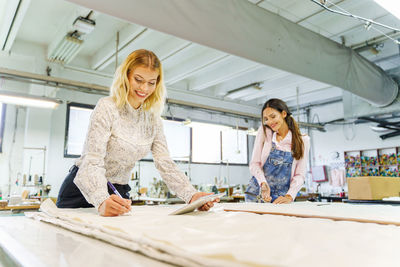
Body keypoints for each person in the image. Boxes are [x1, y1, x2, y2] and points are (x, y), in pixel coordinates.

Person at [56, 49, 217, 216]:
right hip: (82, 190)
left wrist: (191, 195)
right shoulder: (107, 107)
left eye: (151, 82)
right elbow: (92, 160)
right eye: (138, 80)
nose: (144, 88)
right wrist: (100, 198)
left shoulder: (153, 120)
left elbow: (165, 163)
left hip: (118, 192)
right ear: (126, 76)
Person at [245, 98, 310, 204]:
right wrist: (263, 183)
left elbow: (300, 175)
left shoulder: (303, 140)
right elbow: (254, 164)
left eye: (273, 116)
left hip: (281, 198)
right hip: (257, 193)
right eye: (266, 119)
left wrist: (290, 196)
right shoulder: (265, 132)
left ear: (283, 114)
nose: (269, 122)